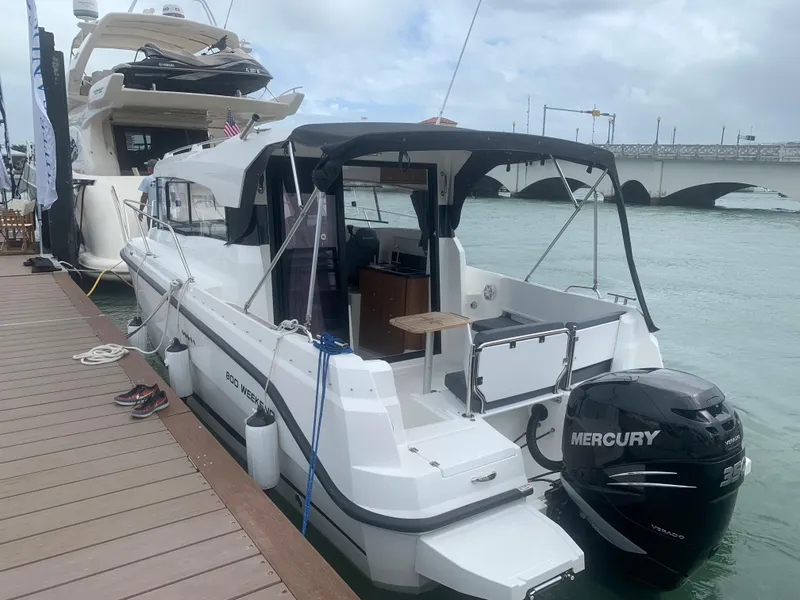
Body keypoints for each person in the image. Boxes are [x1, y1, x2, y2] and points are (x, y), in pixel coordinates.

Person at [138, 158, 159, 226]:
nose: (147, 168)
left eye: (148, 166)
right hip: (165, 213)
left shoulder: (147, 179)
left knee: (151, 231)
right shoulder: (166, 178)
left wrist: (141, 211)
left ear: (151, 168)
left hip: (152, 213)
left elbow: (144, 197)